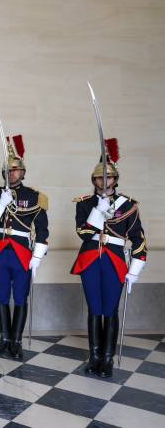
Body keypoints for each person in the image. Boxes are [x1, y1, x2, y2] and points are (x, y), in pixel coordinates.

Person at [71, 138, 146, 378]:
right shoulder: (85, 204)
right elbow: (83, 233)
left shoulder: (129, 206)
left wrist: (134, 270)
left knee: (110, 310)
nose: (104, 182)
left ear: (115, 179)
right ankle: (93, 356)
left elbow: (139, 239)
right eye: (99, 178)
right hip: (91, 259)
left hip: (114, 261)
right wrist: (98, 209)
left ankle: (107, 359)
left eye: (108, 178)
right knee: (94, 309)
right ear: (93, 180)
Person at [0, 136, 48, 360]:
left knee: (20, 297)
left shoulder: (34, 197)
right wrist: (1, 202)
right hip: (0, 250)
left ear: (23, 172)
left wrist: (37, 257)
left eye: (16, 170)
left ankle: (17, 342)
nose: (12, 174)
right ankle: (4, 340)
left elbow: (42, 229)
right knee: (2, 295)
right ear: (4, 173)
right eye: (8, 171)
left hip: (22, 253)